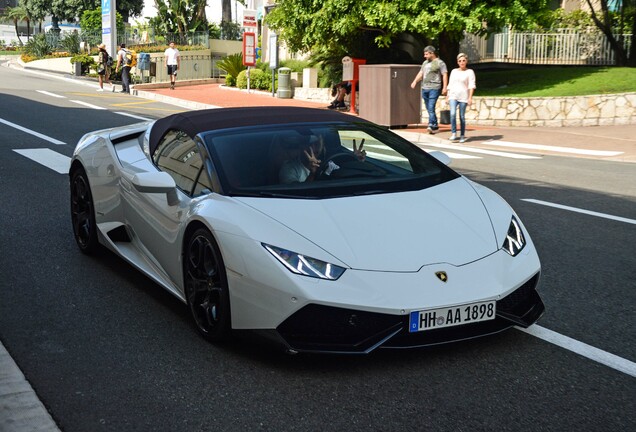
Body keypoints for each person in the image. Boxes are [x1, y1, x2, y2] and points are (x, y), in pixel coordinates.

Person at [410, 46, 448, 134]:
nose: (425, 56)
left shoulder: (440, 63)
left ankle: (431, 125)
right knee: (428, 108)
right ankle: (435, 125)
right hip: (424, 88)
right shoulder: (425, 63)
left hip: (434, 88)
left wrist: (445, 87)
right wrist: (415, 81)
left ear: (432, 53)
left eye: (426, 54)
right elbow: (421, 73)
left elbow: (444, 74)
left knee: (431, 107)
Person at [446, 53, 476, 143]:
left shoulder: (470, 72)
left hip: (463, 97)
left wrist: (470, 98)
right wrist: (448, 95)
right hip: (453, 95)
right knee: (452, 114)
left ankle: (462, 135)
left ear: (466, 61)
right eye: (460, 61)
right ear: (457, 62)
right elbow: (450, 84)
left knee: (462, 116)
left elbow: (471, 85)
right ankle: (454, 133)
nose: (462, 62)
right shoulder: (454, 71)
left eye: (463, 60)